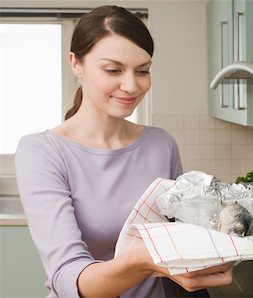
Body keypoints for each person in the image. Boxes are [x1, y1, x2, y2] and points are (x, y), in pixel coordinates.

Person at [15, 5, 233, 298]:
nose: (131, 86)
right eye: (113, 70)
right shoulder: (42, 151)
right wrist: (144, 260)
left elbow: (180, 237)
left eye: (142, 71)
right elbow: (69, 278)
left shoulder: (161, 144)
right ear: (76, 64)